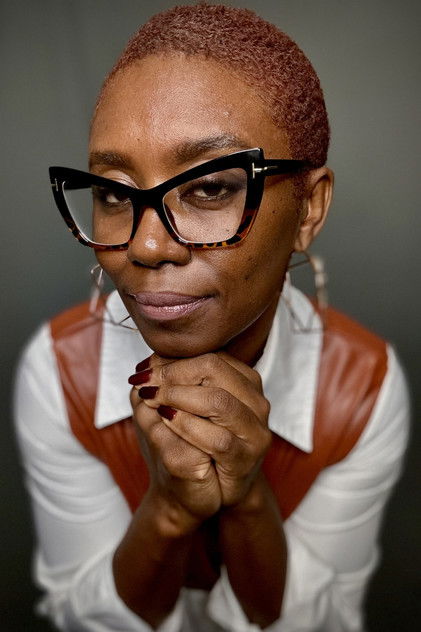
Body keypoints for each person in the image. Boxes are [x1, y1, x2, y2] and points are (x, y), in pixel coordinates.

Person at [14, 4, 409, 631]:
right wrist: (168, 511)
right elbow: (83, 618)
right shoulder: (58, 373)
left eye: (210, 187)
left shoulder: (363, 390)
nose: (146, 245)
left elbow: (323, 623)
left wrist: (248, 499)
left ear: (308, 209)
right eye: (114, 192)